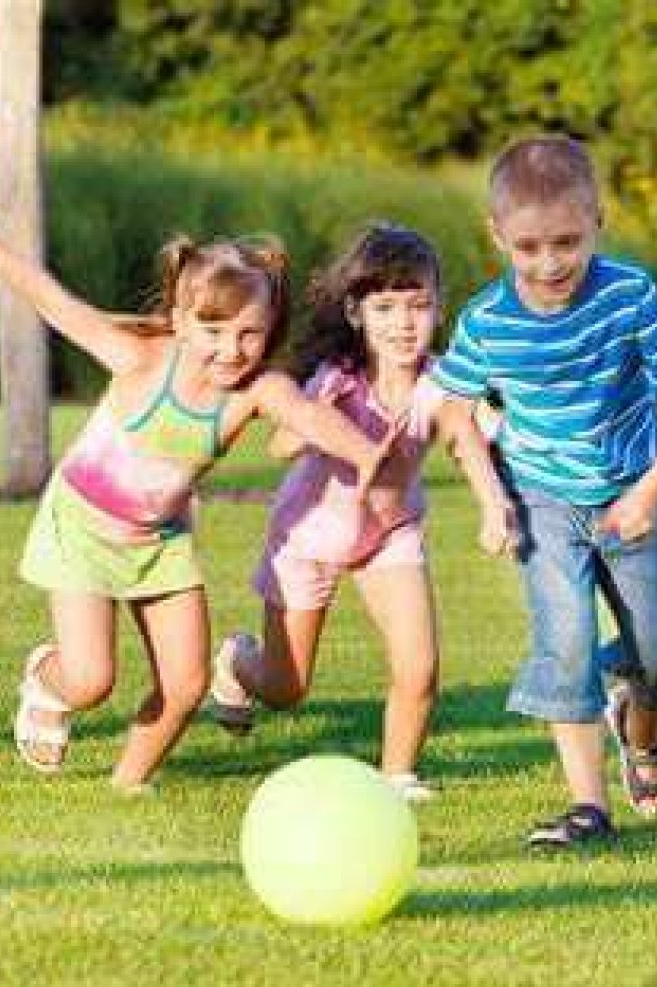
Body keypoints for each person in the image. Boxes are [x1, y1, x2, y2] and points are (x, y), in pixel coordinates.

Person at [0, 194, 407, 792]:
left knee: (186, 685)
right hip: (81, 529)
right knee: (91, 680)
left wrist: (365, 452)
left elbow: (309, 416)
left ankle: (127, 784)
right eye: (213, 330)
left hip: (159, 542)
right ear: (182, 321)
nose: (230, 349)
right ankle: (47, 682)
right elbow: (54, 304)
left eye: (249, 334)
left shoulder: (255, 389)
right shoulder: (139, 358)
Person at [432, 135, 657, 847]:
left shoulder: (629, 295)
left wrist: (649, 492)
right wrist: (492, 500)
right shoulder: (487, 321)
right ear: (498, 235)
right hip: (541, 501)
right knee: (568, 642)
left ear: (598, 223)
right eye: (527, 247)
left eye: (566, 242)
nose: (549, 263)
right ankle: (590, 808)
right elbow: (455, 412)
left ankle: (638, 731)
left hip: (630, 495)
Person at [208, 222, 518, 801]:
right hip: (307, 539)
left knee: (419, 667)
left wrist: (493, 506)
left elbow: (467, 438)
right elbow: (278, 446)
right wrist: (314, 423)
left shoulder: (442, 383)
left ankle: (397, 776)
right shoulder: (337, 379)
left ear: (437, 308)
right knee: (287, 687)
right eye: (385, 307)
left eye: (418, 306)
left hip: (389, 537)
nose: (403, 323)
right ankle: (237, 661)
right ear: (356, 312)